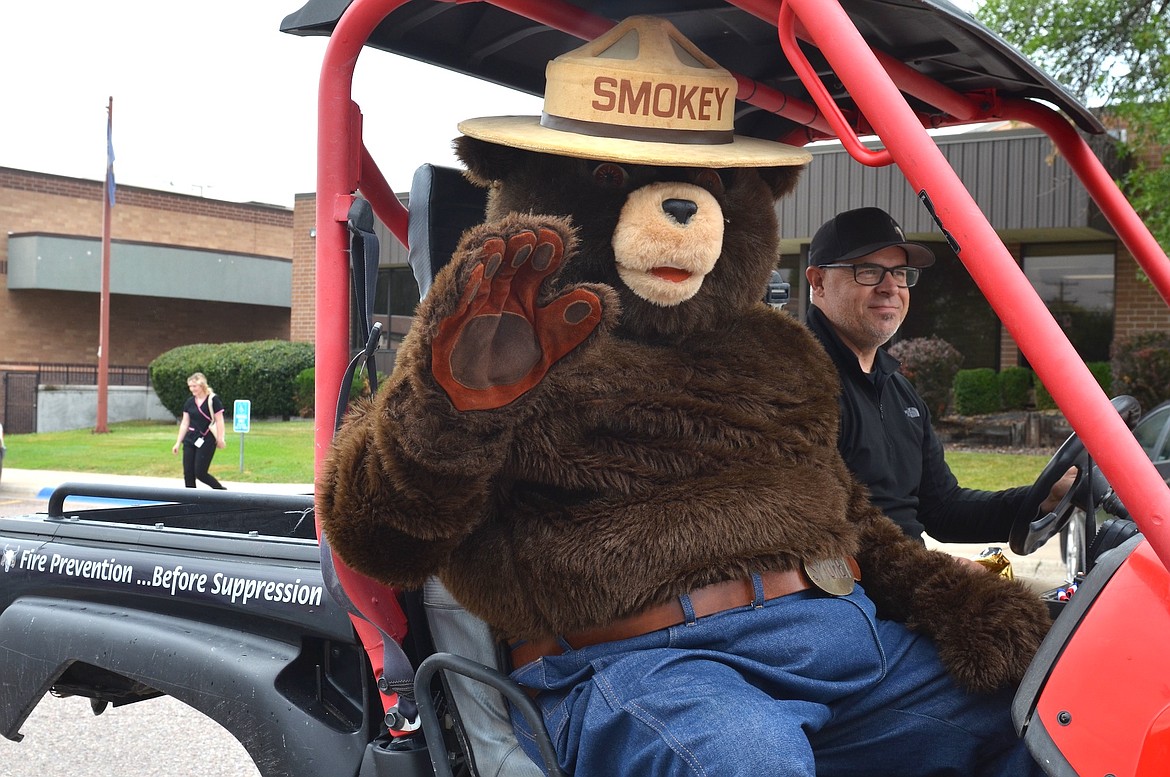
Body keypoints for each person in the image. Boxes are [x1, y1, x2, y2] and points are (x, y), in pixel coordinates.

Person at [804, 206, 1074, 543]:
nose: (891, 287)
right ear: (818, 282)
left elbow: (942, 509)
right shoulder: (796, 381)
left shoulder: (898, 390)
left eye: (900, 272)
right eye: (869, 270)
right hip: (841, 588)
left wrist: (1041, 500)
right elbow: (810, 528)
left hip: (903, 576)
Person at [171, 372, 227, 489]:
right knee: (188, 473)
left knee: (200, 473)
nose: (192, 389)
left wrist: (220, 438)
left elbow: (219, 421)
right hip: (190, 438)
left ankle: (221, 491)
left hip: (207, 438)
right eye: (190, 386)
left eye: (194, 386)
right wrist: (177, 442)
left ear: (202, 385)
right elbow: (185, 423)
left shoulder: (213, 400)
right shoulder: (189, 402)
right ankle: (190, 500)